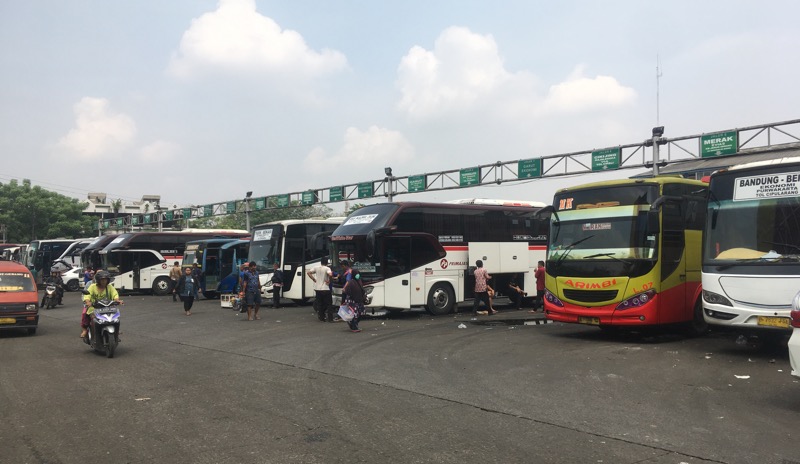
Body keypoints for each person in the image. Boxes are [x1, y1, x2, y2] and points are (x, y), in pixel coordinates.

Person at [81, 270, 122, 338]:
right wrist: (88, 301)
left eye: (105, 280)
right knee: (86, 316)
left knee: (116, 318)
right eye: (102, 280)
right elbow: (87, 295)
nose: (104, 281)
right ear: (98, 280)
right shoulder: (92, 286)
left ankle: (116, 331)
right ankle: (85, 330)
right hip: (94, 308)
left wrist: (117, 300)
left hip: (107, 308)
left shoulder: (109, 287)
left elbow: (114, 294)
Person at [307, 257, 333, 322]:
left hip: (317, 288)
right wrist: (329, 280)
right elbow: (330, 274)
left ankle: (321, 317)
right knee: (329, 304)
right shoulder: (327, 268)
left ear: (321, 262)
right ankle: (330, 318)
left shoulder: (316, 267)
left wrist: (313, 279)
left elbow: (308, 273)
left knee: (320, 303)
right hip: (325, 288)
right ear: (327, 262)